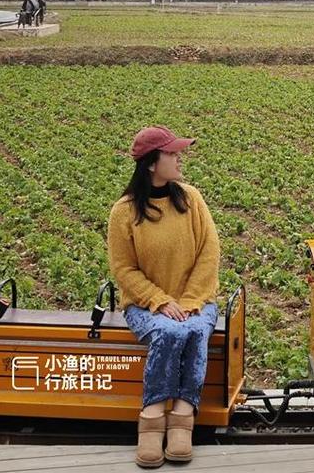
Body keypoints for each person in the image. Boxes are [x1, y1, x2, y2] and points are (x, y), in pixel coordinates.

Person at [107, 126, 220, 469]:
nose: (178, 157)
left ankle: (183, 412)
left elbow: (210, 252)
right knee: (170, 331)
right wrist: (158, 300)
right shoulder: (124, 213)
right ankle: (153, 413)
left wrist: (188, 302)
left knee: (195, 329)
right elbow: (124, 270)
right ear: (152, 163)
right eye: (172, 153)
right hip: (144, 305)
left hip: (196, 300)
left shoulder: (191, 199)